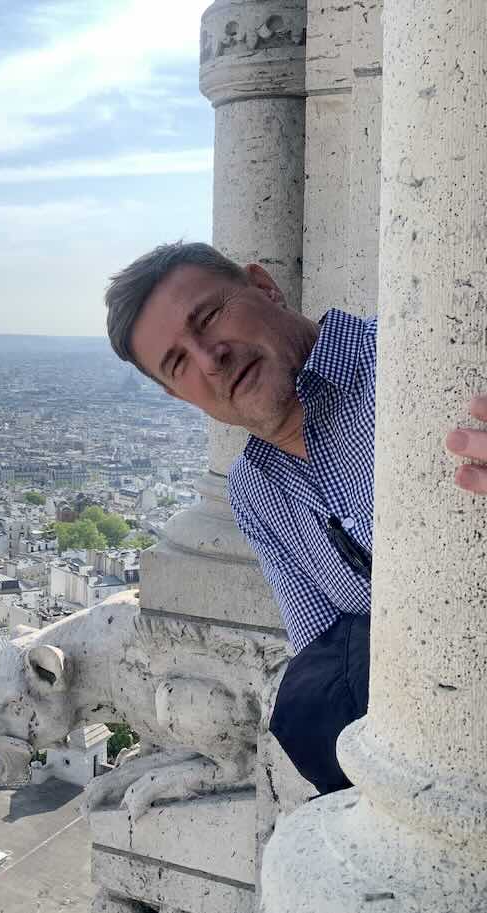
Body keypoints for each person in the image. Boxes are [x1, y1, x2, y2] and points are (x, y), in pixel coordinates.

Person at [104, 241, 486, 793]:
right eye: (179, 362)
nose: (211, 358)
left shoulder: (421, 352)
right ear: (176, 394)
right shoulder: (255, 491)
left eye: (209, 317)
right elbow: (329, 678)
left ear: (264, 286)